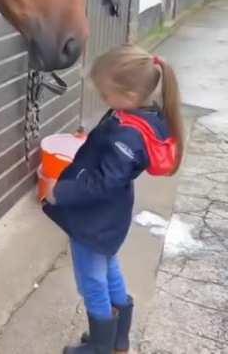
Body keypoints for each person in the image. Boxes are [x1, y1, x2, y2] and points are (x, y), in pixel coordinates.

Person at [42, 44, 184, 354]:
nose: (104, 101)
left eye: (106, 95)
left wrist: (58, 192)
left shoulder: (128, 136)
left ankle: (100, 347)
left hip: (96, 221)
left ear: (130, 96)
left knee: (92, 282)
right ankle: (118, 339)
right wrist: (89, 140)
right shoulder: (141, 117)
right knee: (109, 268)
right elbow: (112, 163)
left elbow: (103, 183)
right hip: (111, 219)